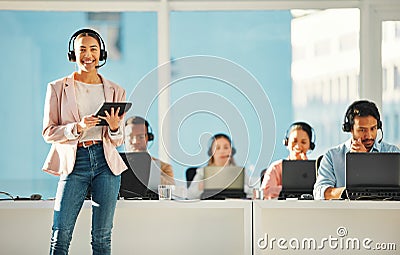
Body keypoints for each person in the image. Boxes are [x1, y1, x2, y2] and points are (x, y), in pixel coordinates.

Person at [42, 28, 127, 255]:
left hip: (105, 163)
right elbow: (48, 132)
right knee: (60, 234)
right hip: (75, 162)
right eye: (82, 49)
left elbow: (117, 141)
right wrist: (77, 127)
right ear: (73, 54)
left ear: (101, 53)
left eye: (93, 49)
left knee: (102, 237)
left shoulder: (115, 90)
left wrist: (115, 127)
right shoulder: (58, 88)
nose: (88, 54)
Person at [313, 100, 400, 200]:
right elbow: (320, 192)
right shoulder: (332, 157)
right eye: (362, 130)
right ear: (350, 129)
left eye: (373, 128)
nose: (369, 135)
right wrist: (350, 192)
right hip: (346, 213)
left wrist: (365, 160)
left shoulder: (393, 153)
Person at [260, 122, 316, 199]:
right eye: (294, 141)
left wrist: (307, 167)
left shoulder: (316, 169)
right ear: (287, 142)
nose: (298, 146)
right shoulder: (276, 167)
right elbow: (265, 192)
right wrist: (290, 190)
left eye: (303, 142)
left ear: (310, 146)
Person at [124, 116, 175, 186]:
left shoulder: (164, 167)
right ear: (123, 139)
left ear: (149, 138)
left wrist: (145, 166)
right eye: (130, 136)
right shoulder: (114, 166)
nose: (135, 141)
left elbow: (170, 190)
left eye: (141, 137)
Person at [187, 133, 237, 199]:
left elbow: (250, 192)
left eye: (226, 147)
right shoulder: (202, 172)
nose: (222, 151)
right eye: (217, 148)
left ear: (231, 151)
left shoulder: (238, 173)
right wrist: (203, 185)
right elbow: (190, 195)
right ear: (211, 152)